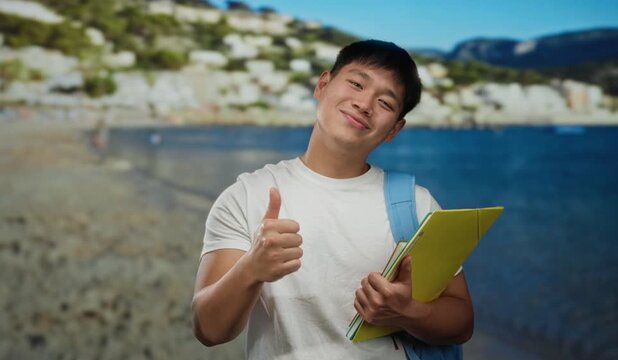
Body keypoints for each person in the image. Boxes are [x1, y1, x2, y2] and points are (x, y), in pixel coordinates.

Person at [192, 40, 474, 359]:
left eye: (385, 102)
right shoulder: (247, 195)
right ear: (323, 85)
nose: (364, 104)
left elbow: (462, 321)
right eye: (356, 83)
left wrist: (408, 312)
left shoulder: (416, 203)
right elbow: (209, 329)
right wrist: (251, 269)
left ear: (395, 129)